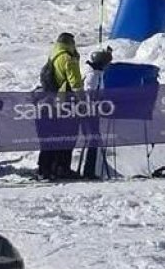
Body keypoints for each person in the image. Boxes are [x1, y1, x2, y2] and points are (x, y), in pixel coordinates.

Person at [36, 32, 83, 180]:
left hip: (50, 103)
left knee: (52, 138)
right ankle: (62, 168)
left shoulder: (53, 55)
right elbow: (75, 83)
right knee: (68, 137)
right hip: (65, 104)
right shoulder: (68, 59)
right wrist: (82, 101)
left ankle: (47, 168)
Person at [81, 46, 113, 180]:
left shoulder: (98, 74)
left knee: (94, 139)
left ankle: (90, 169)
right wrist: (96, 104)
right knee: (93, 139)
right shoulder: (93, 75)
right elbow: (89, 93)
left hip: (93, 111)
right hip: (89, 112)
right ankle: (88, 171)